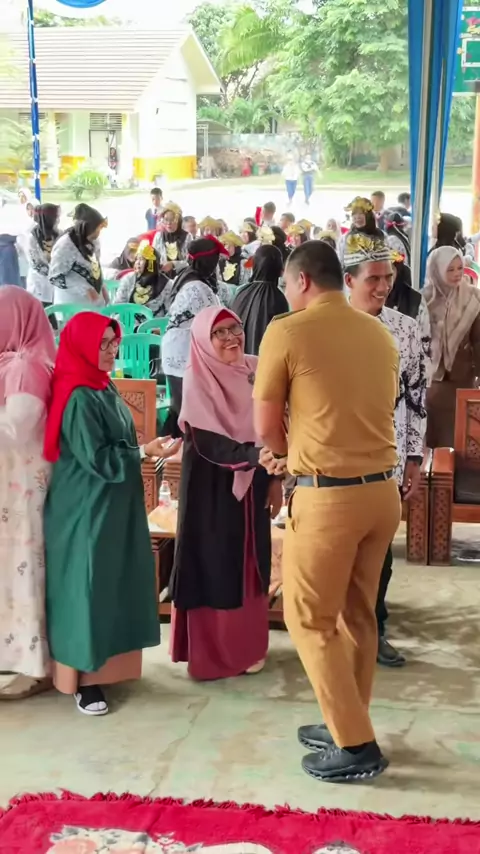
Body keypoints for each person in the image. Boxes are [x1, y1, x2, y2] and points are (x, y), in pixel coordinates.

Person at [253, 240, 401, 783]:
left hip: (329, 497)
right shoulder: (378, 332)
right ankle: (347, 721)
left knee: (309, 617)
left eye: (288, 286)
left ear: (302, 281)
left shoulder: (288, 331)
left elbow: (266, 426)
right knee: (358, 615)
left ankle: (357, 745)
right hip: (382, 495)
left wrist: (284, 454)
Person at [43, 312, 180, 716]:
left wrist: (144, 451)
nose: (111, 351)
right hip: (86, 505)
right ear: (81, 346)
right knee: (88, 587)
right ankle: (84, 682)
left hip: (112, 500)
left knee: (111, 584)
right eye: (102, 343)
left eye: (113, 342)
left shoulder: (101, 384)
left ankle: (107, 670)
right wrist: (143, 453)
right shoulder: (77, 394)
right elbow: (96, 458)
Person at [170, 306, 282, 680]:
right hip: (211, 488)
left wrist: (274, 478)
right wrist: (253, 456)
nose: (232, 337)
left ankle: (250, 647)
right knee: (215, 563)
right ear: (204, 340)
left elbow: (276, 423)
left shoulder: (256, 369)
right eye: (220, 333)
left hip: (256, 479)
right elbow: (207, 441)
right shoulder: (197, 376)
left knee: (251, 561)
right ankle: (216, 656)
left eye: (235, 328)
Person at [344, 234, 427, 667]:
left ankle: (374, 630)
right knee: (335, 549)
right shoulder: (327, 325)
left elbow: (416, 396)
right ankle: (333, 635)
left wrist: (413, 458)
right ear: (348, 281)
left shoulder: (405, 329)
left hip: (387, 459)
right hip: (335, 457)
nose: (382, 287)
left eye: (388, 277)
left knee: (379, 553)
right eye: (372, 278)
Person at [0, 288, 56, 700]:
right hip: (13, 485)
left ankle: (34, 666)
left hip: (23, 487)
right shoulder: (15, 363)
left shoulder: (26, 366)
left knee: (24, 571)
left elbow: (16, 429)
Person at [161, 236, 229, 434]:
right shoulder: (198, 287)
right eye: (215, 261)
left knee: (180, 408)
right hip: (183, 353)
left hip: (177, 349)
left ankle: (171, 445)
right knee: (188, 411)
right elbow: (216, 320)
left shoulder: (186, 276)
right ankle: (178, 447)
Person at [424, 247, 480, 448]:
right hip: (431, 383)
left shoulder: (473, 298)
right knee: (431, 440)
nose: (457, 274)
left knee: (459, 439)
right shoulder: (424, 299)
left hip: (462, 381)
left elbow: (478, 340)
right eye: (450, 269)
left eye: (460, 268)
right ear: (437, 270)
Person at [232, 244, 288, 355]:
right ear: (279, 269)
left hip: (240, 360)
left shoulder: (241, 292)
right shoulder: (279, 298)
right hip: (266, 361)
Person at [49, 205, 108, 306]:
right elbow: (55, 277)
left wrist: (102, 285)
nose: (99, 233)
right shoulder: (65, 245)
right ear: (87, 228)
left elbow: (96, 265)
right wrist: (85, 288)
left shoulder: (95, 241)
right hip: (71, 303)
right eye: (98, 229)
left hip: (93, 301)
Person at [113, 240, 170, 317]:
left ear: (151, 263)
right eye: (137, 259)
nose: (137, 263)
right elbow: (118, 306)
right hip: (128, 321)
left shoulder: (166, 284)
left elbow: (170, 312)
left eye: (142, 259)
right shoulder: (128, 279)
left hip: (154, 323)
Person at [26, 204, 61, 307]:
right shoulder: (32, 238)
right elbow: (35, 264)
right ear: (48, 219)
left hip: (56, 287)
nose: (58, 220)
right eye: (56, 217)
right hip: (39, 286)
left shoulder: (60, 234)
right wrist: (55, 273)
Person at [338, 197, 384, 264]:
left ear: (369, 216)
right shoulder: (345, 238)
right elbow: (341, 261)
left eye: (361, 213)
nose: (357, 217)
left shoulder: (381, 236)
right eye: (354, 214)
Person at [153, 202, 192, 278]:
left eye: (172, 220)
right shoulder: (159, 236)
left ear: (178, 220)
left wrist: (173, 264)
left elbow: (190, 262)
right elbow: (153, 258)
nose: (168, 223)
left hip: (183, 276)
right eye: (166, 219)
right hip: (162, 276)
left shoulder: (187, 236)